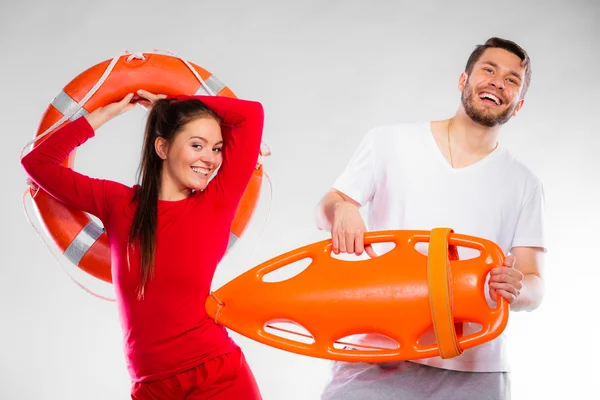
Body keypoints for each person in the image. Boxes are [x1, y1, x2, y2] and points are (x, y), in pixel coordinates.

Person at [315, 37, 546, 400]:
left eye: (512, 79)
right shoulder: (388, 142)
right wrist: (343, 207)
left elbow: (534, 285)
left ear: (518, 105)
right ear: (463, 81)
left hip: (474, 370)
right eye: (488, 70)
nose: (498, 82)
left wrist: (517, 287)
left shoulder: (525, 184)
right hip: (379, 353)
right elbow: (328, 204)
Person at [21, 90, 265, 399]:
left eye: (217, 148)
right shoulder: (119, 203)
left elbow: (251, 114)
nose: (210, 159)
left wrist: (172, 100)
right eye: (197, 145)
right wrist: (106, 113)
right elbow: (38, 162)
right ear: (162, 147)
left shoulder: (218, 201)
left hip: (217, 375)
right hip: (151, 387)